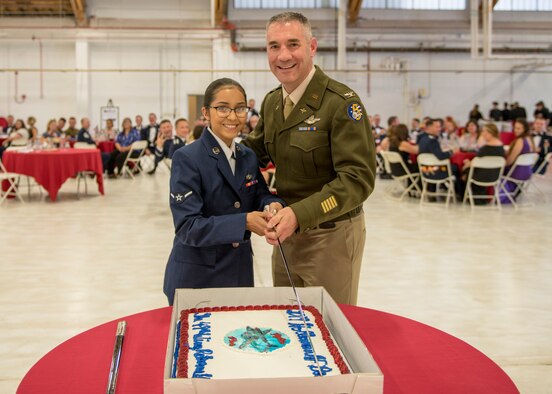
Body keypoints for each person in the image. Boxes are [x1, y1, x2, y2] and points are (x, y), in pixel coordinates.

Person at [243, 12, 376, 305]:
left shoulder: (341, 104)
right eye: (274, 46)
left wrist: (299, 215)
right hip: (285, 235)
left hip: (331, 236)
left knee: (330, 328)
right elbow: (253, 152)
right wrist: (210, 153)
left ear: (312, 47)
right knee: (289, 323)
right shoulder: (273, 102)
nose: (283, 55)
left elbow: (358, 180)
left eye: (293, 44)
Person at [163, 78, 285, 305]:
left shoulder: (247, 155)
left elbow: (259, 193)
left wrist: (272, 205)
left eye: (240, 108)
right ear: (206, 112)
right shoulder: (187, 158)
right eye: (222, 108)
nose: (232, 116)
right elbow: (188, 227)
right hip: (198, 276)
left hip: (238, 273)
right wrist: (244, 223)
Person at [461, 123, 505, 205]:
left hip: (480, 176)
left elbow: (474, 162)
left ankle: (465, 196)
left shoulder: (486, 148)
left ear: (490, 133)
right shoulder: (501, 146)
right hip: (494, 176)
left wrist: (466, 163)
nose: (482, 133)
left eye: (484, 131)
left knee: (464, 170)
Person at [501, 119, 535, 203]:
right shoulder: (530, 139)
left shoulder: (520, 141)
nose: (515, 130)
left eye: (518, 128)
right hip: (527, 172)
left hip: (517, 173)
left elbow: (510, 161)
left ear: (524, 129)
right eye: (515, 128)